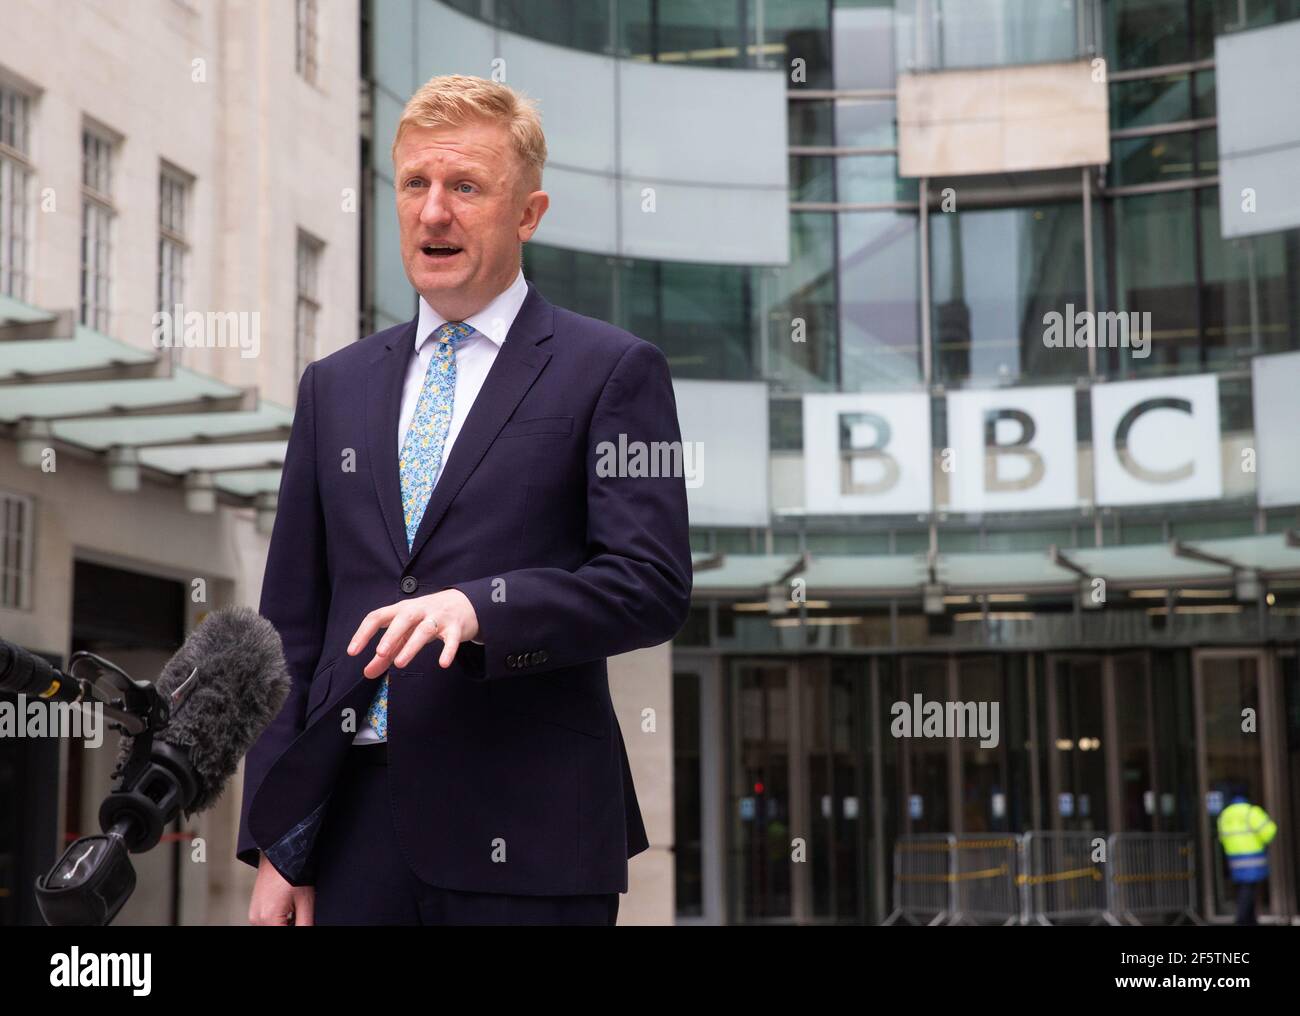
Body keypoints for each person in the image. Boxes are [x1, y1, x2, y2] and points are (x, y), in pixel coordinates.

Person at [235, 74, 692, 926]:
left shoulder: (616, 371)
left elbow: (651, 585)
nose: (434, 212)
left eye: (466, 187)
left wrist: (484, 608)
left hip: (530, 832)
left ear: (528, 213)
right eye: (416, 184)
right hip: (351, 833)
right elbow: (289, 628)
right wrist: (275, 840)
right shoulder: (332, 386)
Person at [1216, 784, 1277, 925]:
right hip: (1252, 856)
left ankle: (1251, 919)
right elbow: (1269, 831)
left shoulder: (1225, 814)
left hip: (1233, 857)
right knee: (1249, 888)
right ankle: (1242, 919)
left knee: (1243, 888)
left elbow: (1221, 836)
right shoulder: (1251, 811)